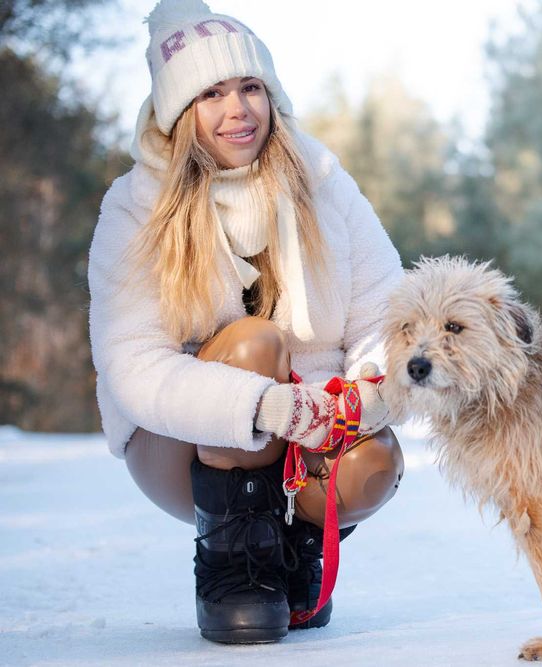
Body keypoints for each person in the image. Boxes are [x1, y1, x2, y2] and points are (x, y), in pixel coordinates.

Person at [88, 0, 405, 645]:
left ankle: (291, 550)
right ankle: (233, 562)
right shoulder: (134, 207)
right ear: (180, 112)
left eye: (251, 87)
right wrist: (273, 407)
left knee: (375, 460)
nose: (239, 110)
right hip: (177, 447)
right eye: (212, 93)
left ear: (272, 95)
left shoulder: (322, 182)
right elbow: (133, 368)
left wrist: (362, 391)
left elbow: (386, 310)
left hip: (306, 429)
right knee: (253, 341)